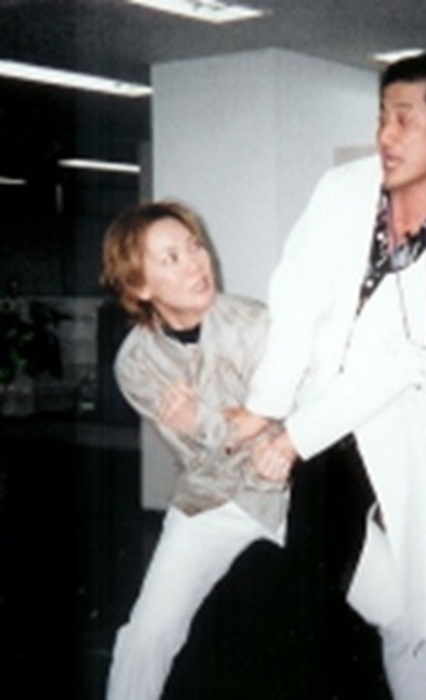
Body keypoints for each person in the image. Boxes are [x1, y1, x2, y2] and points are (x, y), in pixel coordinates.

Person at [227, 53, 426, 699]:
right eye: (382, 117)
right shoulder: (343, 189)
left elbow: (396, 368)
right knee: (365, 605)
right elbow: (296, 298)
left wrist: (294, 437)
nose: (386, 136)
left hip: (401, 427)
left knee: (395, 610)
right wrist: (268, 403)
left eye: (404, 119)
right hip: (325, 429)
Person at [100, 200, 289, 700]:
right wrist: (229, 426)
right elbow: (202, 454)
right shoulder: (136, 363)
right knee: (147, 635)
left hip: (293, 490)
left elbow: (292, 421)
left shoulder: (257, 324)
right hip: (212, 499)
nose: (195, 264)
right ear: (140, 286)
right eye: (171, 258)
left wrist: (208, 421)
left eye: (195, 246)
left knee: (398, 610)